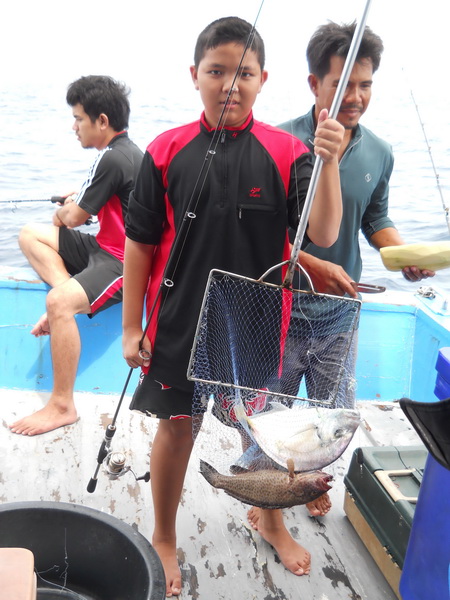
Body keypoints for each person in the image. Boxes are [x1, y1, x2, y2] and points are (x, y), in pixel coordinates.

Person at [122, 16, 344, 595]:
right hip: (177, 326)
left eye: (242, 73)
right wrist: (131, 327)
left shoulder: (289, 151)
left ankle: (269, 518)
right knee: (176, 431)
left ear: (263, 79)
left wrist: (331, 165)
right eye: (216, 71)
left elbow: (321, 233)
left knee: (264, 434)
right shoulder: (165, 150)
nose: (229, 84)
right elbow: (139, 243)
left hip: (256, 324)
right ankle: (165, 535)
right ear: (194, 75)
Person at [247, 20, 435, 547]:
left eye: (365, 85)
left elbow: (375, 219)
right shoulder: (280, 141)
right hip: (281, 313)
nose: (354, 97)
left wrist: (402, 257)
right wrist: (314, 264)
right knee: (273, 422)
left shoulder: (380, 152)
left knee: (332, 419)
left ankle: (306, 483)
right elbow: (265, 234)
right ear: (314, 84)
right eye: (341, 84)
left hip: (342, 316)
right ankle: (271, 512)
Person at [9, 75, 143, 437]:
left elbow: (72, 218)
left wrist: (65, 210)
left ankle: (62, 404)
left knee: (59, 301)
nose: (74, 127)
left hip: (123, 265)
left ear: (102, 121)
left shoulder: (113, 159)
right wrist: (78, 204)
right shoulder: (124, 154)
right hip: (104, 248)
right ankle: (66, 291)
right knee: (29, 235)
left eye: (79, 118)